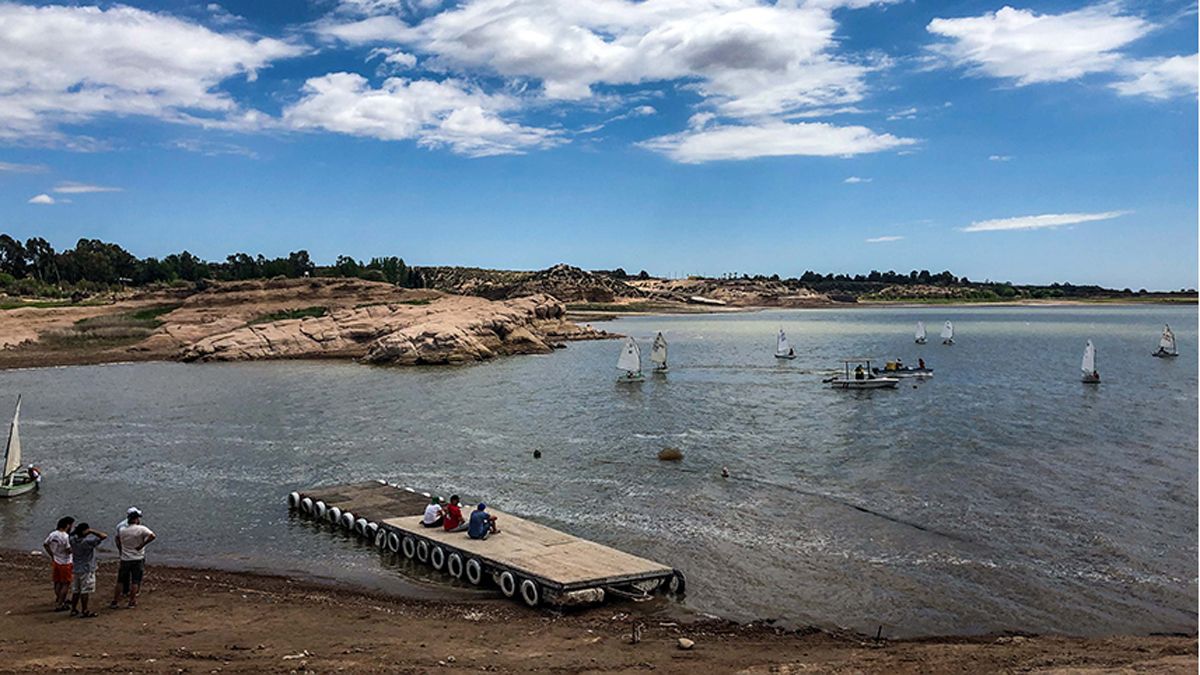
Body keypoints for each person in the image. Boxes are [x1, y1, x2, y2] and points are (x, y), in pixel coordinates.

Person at [112, 510, 155, 609]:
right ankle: (132, 601)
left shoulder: (122, 529)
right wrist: (142, 545)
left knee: (120, 581)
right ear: (136, 519)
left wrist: (121, 550)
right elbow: (152, 536)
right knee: (135, 581)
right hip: (137, 558)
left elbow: (117, 539)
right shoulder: (141, 529)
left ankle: (115, 601)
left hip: (125, 558)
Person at [68, 523, 107, 618]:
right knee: (85, 590)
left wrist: (77, 530)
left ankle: (73, 609)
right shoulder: (87, 542)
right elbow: (103, 536)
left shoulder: (72, 540)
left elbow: (70, 535)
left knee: (76, 590)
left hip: (76, 567)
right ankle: (84, 610)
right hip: (86, 568)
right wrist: (91, 531)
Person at [43, 516, 74, 611]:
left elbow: (45, 544)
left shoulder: (53, 534)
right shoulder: (65, 536)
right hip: (65, 562)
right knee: (66, 583)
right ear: (68, 525)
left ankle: (59, 598)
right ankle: (60, 604)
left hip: (56, 560)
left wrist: (52, 555)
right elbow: (69, 550)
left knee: (57, 582)